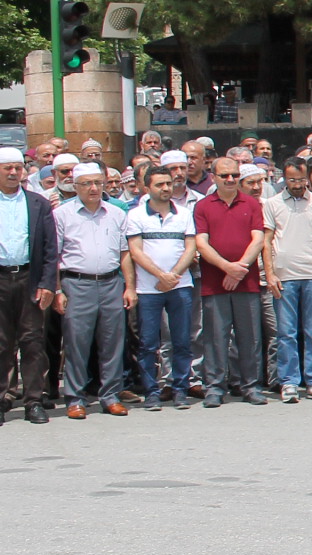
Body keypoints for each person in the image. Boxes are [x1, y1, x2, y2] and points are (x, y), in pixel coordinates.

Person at [54, 166, 133, 418]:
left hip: (111, 283)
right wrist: (58, 290)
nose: (93, 188)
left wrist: (129, 286)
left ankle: (110, 395)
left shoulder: (115, 214)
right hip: (76, 284)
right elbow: (54, 256)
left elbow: (124, 254)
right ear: (75, 186)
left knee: (112, 342)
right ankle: (75, 398)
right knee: (77, 343)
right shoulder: (62, 214)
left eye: (98, 182)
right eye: (87, 183)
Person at [123, 162, 199, 410]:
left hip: (180, 286)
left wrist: (173, 275)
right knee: (147, 343)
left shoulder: (184, 214)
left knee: (182, 341)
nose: (167, 188)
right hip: (148, 289)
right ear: (146, 187)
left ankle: (180, 389)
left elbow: (190, 248)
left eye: (169, 183)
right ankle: (152, 392)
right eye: (160, 184)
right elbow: (135, 251)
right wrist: (159, 275)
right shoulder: (135, 215)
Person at [193, 156, 267, 407]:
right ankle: (214, 387)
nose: (230, 180)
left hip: (247, 282)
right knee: (215, 337)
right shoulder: (203, 206)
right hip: (215, 282)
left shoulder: (252, 204)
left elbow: (258, 239)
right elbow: (201, 242)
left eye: (234, 175)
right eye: (224, 175)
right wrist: (227, 268)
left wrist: (240, 269)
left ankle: (250, 386)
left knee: (250, 337)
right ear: (213, 177)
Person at [262, 157, 312, 403]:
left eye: (301, 180)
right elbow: (267, 240)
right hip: (285, 275)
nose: (297, 184)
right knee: (286, 333)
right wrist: (269, 273)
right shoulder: (272, 204)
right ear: (285, 179)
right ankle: (289, 382)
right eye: (292, 180)